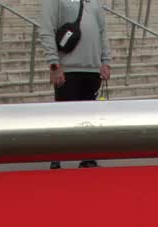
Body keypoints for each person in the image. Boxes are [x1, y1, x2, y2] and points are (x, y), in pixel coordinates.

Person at [41, 0, 112, 168]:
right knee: (63, 116)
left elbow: (102, 32)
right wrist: (53, 64)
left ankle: (88, 157)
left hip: (93, 70)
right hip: (67, 70)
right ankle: (56, 158)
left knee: (89, 118)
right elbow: (46, 30)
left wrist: (106, 61)